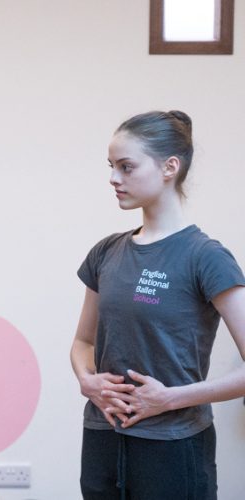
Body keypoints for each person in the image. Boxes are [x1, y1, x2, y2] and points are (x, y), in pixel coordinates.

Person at [70, 110, 245, 499]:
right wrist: (87, 381)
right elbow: (83, 343)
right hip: (102, 437)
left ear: (169, 167)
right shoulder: (105, 252)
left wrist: (171, 397)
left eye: (126, 167)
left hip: (174, 444)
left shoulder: (206, 257)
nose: (114, 179)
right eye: (112, 167)